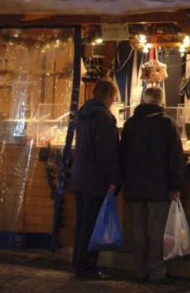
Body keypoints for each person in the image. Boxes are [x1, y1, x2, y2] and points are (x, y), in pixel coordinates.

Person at [121, 86, 186, 283]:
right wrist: (176, 186)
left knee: (138, 230)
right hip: (159, 186)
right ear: (161, 101)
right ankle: (157, 271)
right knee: (156, 231)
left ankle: (139, 270)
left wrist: (123, 180)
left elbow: (122, 154)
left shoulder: (131, 124)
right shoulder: (167, 125)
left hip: (133, 186)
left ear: (143, 100)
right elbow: (175, 158)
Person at [70, 79, 121, 280]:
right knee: (92, 225)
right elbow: (106, 153)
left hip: (81, 177)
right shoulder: (104, 119)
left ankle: (79, 263)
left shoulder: (83, 115)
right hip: (95, 180)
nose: (114, 101)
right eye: (114, 97)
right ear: (108, 96)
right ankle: (87, 266)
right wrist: (114, 179)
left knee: (82, 223)